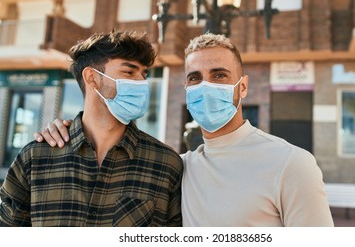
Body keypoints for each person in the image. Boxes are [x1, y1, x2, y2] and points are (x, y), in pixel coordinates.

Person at [33, 33, 334, 227]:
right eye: (195, 78)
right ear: (187, 89)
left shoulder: (291, 163)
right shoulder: (180, 167)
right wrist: (68, 131)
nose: (206, 85)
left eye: (219, 75)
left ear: (242, 87)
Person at [0, 30, 183, 227]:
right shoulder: (35, 158)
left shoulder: (166, 164)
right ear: (92, 77)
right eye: (129, 72)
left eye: (143, 74)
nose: (141, 82)